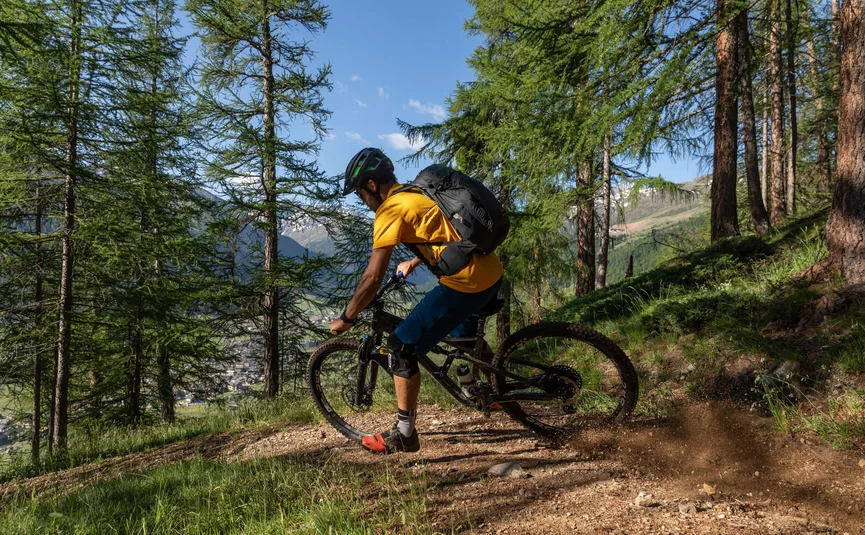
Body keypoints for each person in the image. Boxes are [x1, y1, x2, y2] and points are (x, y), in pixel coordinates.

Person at [329, 147, 504, 454]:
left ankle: (404, 432)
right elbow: (446, 233)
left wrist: (348, 316)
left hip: (466, 283)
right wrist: (415, 260)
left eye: (360, 194)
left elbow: (372, 277)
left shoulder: (389, 210)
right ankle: (493, 390)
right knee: (460, 340)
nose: (363, 201)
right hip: (489, 270)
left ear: (371, 185)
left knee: (400, 348)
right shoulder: (414, 193)